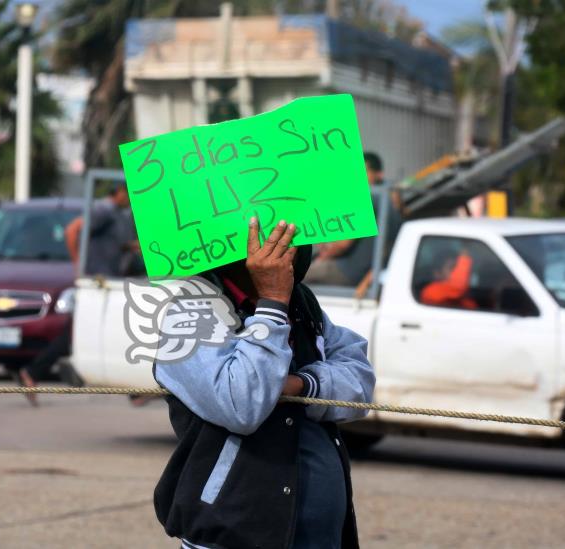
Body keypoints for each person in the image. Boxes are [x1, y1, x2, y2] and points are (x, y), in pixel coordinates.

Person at [153, 218, 375, 549]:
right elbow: (241, 405)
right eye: (274, 235)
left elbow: (359, 379)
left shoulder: (302, 303)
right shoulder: (193, 311)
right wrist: (271, 306)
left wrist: (302, 385)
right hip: (235, 532)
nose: (288, 244)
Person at [16, 182, 139, 406]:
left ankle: (33, 372)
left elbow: (116, 245)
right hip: (96, 285)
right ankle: (33, 372)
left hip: (108, 285)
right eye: (128, 194)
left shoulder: (119, 215)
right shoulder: (104, 210)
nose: (130, 199)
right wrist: (78, 266)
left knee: (78, 332)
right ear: (120, 192)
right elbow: (72, 230)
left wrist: (135, 247)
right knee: (80, 333)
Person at [305, 152, 403, 287]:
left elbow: (343, 244)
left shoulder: (367, 199)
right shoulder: (390, 201)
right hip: (363, 273)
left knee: (294, 275)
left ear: (378, 174)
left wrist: (324, 256)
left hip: (347, 270)